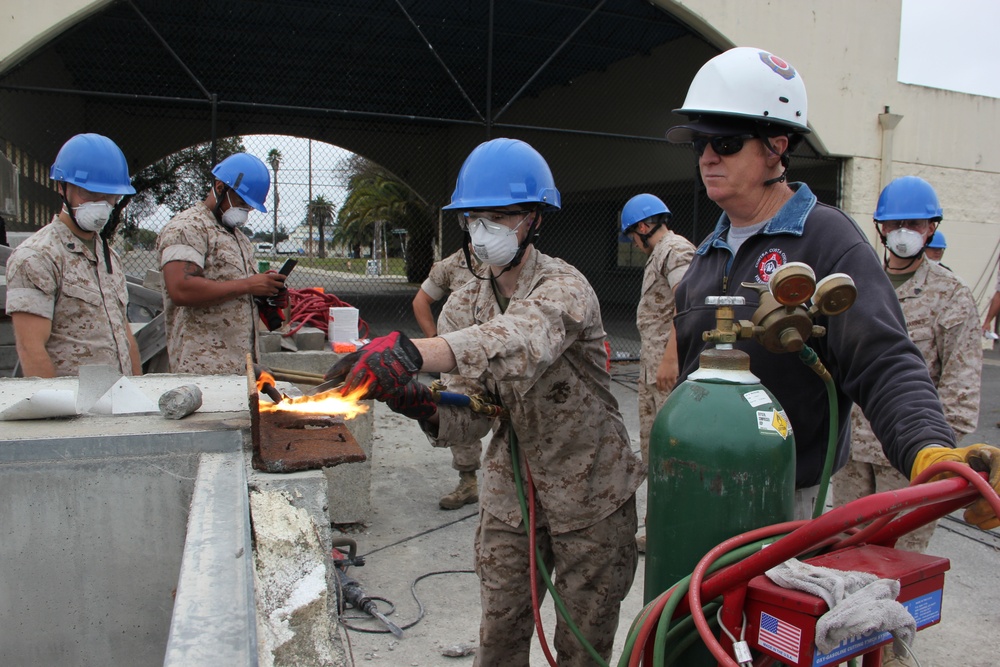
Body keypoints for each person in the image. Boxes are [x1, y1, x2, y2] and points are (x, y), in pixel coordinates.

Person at [326, 138, 643, 666]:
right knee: (499, 637)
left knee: (582, 647)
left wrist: (412, 352)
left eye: (500, 217)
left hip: (590, 488)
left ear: (534, 219)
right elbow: (474, 415)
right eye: (474, 218)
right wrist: (417, 401)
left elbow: (519, 341)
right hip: (510, 496)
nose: (482, 230)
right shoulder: (463, 304)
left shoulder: (565, 286)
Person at [664, 47, 1000, 535]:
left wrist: (929, 448)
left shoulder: (828, 243)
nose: (708, 156)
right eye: (700, 143)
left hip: (777, 498)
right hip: (692, 482)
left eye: (727, 142)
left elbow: (883, 359)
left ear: (777, 147)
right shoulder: (706, 256)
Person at [832, 176, 981, 553]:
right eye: (895, 223)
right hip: (852, 455)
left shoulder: (951, 295)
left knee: (901, 562)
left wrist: (934, 454)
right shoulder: (852, 287)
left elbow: (961, 390)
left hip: (909, 460)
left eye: (914, 224)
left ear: (931, 228)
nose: (903, 232)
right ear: (881, 228)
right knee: (844, 555)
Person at [5, 133, 141, 378]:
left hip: (117, 396)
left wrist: (138, 391)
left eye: (109, 196)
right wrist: (54, 401)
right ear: (62, 187)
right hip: (72, 399)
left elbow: (123, 333)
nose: (101, 204)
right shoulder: (36, 257)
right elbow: (31, 349)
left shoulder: (108, 257)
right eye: (89, 193)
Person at [156, 152, 286, 375]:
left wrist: (266, 292)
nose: (245, 211)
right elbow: (181, 289)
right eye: (241, 203)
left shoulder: (239, 238)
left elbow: (237, 291)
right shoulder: (187, 228)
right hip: (201, 369)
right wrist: (248, 285)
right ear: (219, 187)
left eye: (249, 207)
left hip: (239, 367)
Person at [619, 193, 694, 551]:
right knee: (655, 452)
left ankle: (675, 530)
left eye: (632, 235)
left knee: (672, 453)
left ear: (644, 226)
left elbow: (688, 304)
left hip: (666, 369)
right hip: (652, 368)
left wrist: (670, 358)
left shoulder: (675, 250)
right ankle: (659, 529)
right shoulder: (660, 254)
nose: (633, 243)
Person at [412, 246, 485, 510]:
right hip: (459, 361)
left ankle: (517, 481)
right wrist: (435, 342)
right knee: (460, 412)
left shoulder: (517, 262)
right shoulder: (452, 265)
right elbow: (420, 301)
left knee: (515, 416)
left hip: (501, 354)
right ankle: (468, 482)